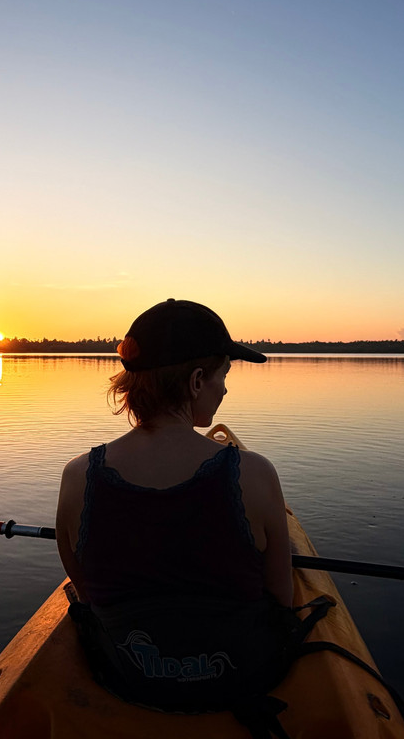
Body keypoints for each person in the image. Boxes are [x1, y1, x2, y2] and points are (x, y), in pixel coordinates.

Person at [54, 299, 295, 719]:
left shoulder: (78, 477)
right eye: (224, 375)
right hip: (237, 677)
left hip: (131, 680)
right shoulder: (254, 474)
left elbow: (88, 593)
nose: (225, 390)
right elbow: (281, 599)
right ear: (197, 380)